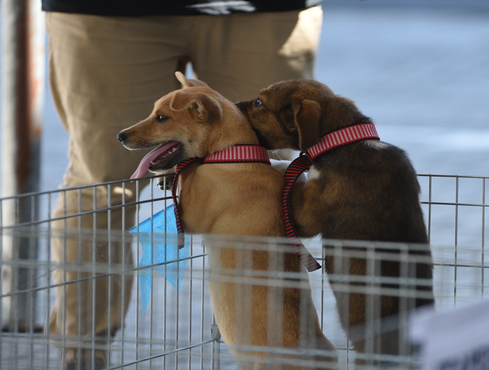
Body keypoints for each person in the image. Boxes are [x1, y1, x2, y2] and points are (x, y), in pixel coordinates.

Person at [43, 1, 324, 369]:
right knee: (102, 185)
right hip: (106, 12)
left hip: (263, 10)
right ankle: (81, 355)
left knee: (267, 177)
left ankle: (285, 343)